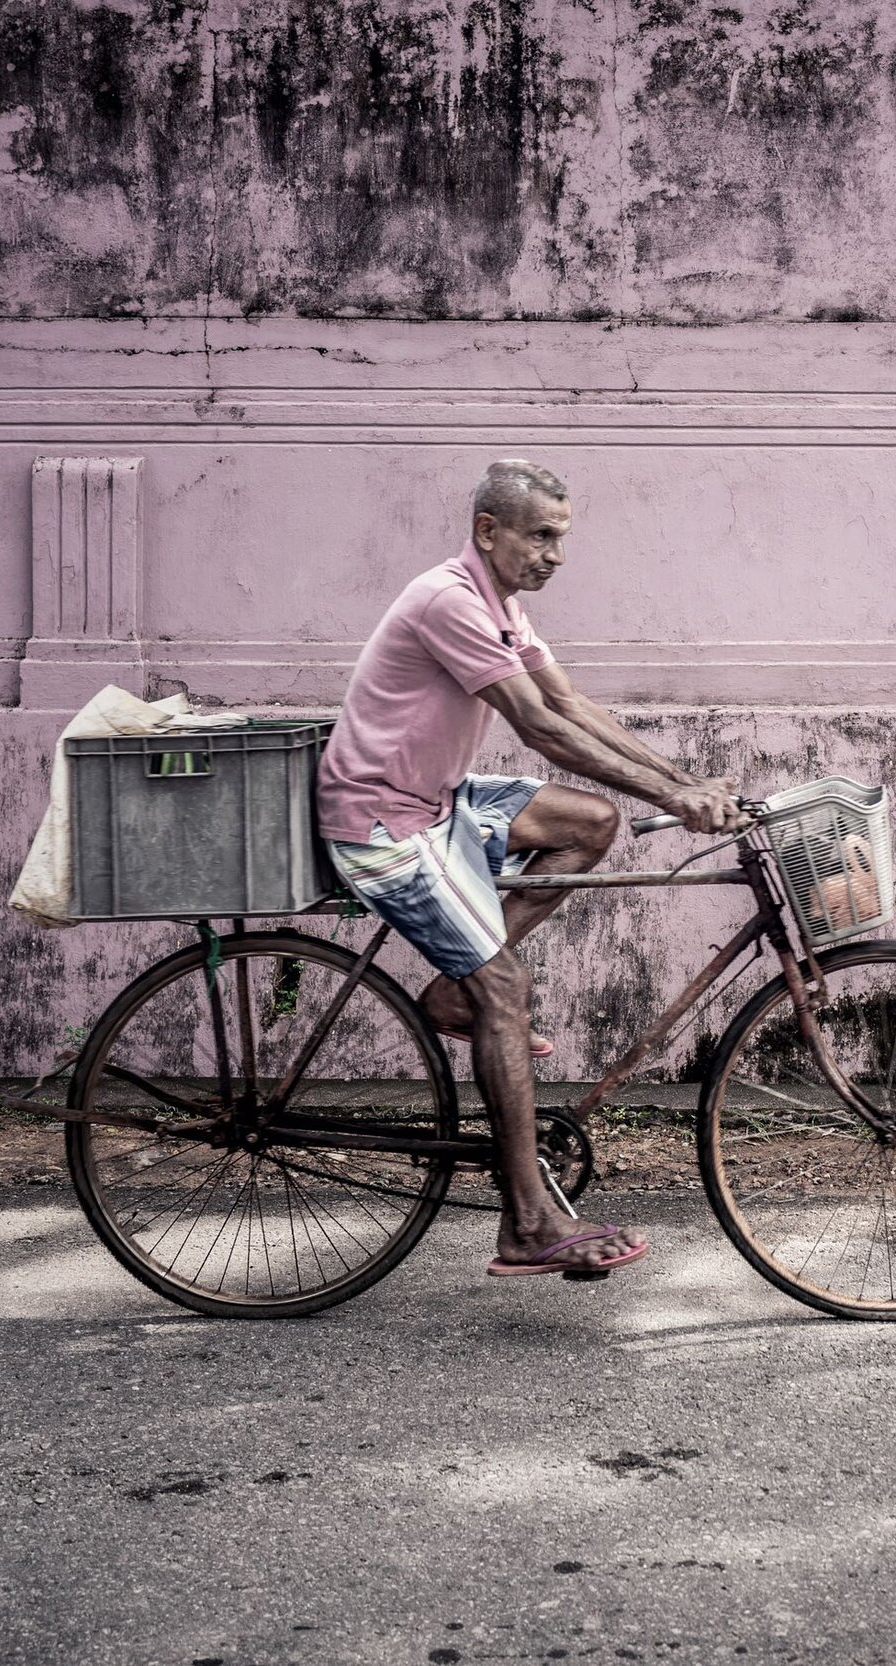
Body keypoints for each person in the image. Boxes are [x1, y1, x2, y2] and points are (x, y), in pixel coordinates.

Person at [315, 459, 741, 1278]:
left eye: (561, 537)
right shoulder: (449, 600)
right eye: (541, 535)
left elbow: (570, 704)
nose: (555, 554)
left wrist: (680, 783)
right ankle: (526, 1223)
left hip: (436, 800)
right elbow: (539, 728)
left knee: (592, 822)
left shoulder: (497, 601)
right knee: (504, 992)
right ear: (488, 531)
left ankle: (452, 989)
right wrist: (677, 796)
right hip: (383, 821)